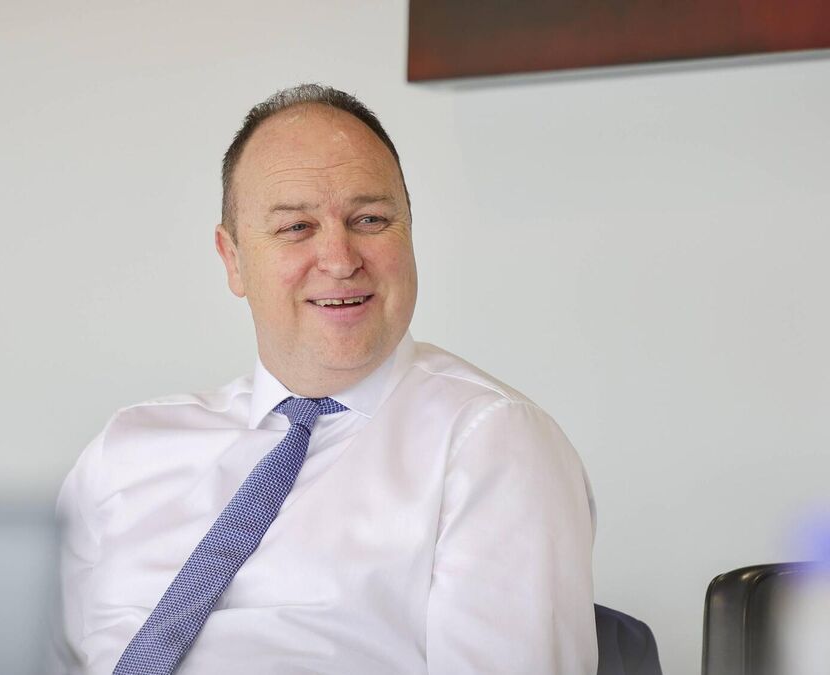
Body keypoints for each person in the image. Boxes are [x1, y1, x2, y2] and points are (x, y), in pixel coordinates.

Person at [50, 84, 597, 674]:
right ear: (233, 259)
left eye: (370, 219)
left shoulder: (491, 442)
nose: (340, 259)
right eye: (296, 227)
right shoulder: (126, 449)